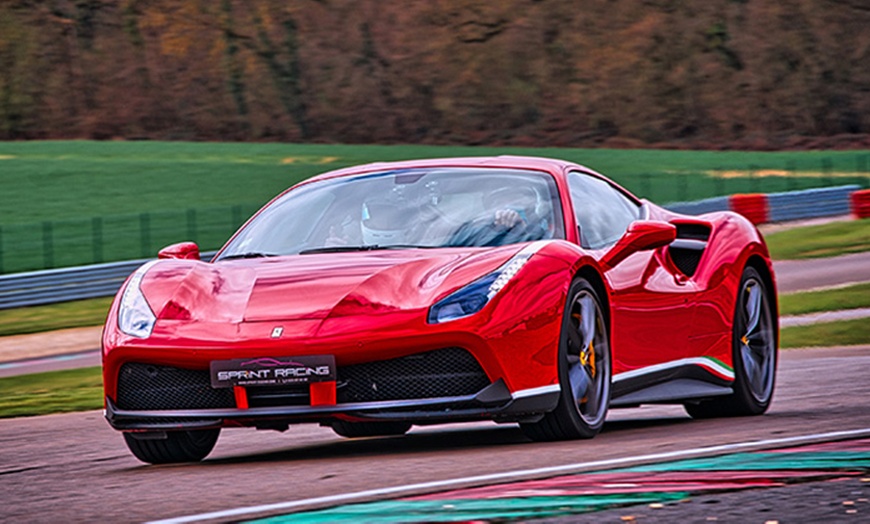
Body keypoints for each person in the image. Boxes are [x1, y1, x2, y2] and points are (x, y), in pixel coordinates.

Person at [448, 186, 550, 247]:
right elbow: (453, 246)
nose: (509, 209)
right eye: (502, 201)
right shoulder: (472, 228)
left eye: (518, 201)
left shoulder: (543, 232)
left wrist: (522, 229)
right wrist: (492, 227)